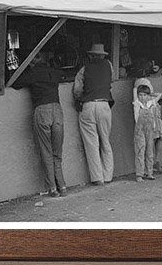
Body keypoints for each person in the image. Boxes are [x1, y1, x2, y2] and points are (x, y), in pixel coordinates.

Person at [11, 52, 67, 197]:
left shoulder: (32, 73)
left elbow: (15, 83)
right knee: (57, 153)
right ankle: (63, 186)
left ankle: (53, 188)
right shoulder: (54, 72)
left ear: (33, 61)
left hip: (42, 110)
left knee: (46, 151)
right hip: (57, 109)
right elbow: (64, 75)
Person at [72, 42, 115, 184]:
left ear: (90, 55)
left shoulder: (84, 69)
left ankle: (97, 178)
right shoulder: (109, 66)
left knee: (92, 143)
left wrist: (82, 97)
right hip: (104, 105)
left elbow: (77, 90)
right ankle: (108, 176)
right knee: (105, 141)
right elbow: (112, 80)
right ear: (103, 55)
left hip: (89, 105)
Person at [132, 78, 162, 182]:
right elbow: (135, 91)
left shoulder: (151, 103)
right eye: (140, 95)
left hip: (150, 130)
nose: (142, 97)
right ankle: (139, 174)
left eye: (144, 95)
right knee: (140, 150)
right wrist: (139, 87)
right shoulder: (136, 104)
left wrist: (150, 95)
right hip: (140, 130)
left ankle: (149, 172)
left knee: (150, 150)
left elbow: (159, 94)